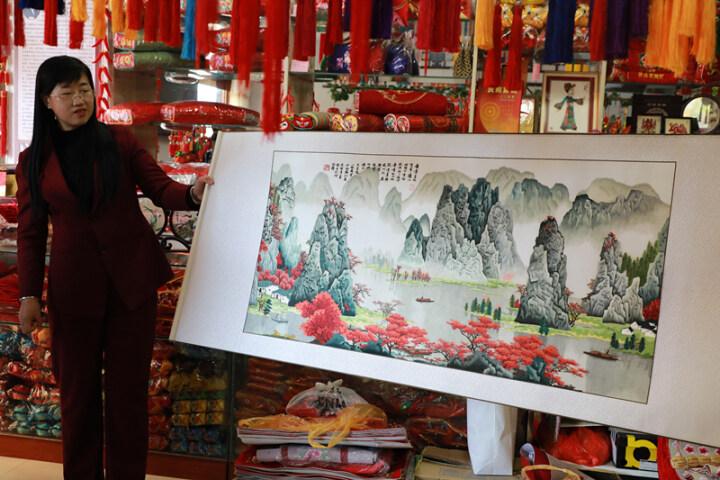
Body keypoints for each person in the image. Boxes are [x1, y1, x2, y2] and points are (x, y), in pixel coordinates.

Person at [16, 55, 214, 479]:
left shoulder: (119, 142)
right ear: (47, 101)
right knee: (77, 396)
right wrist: (29, 295)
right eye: (67, 92)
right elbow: (30, 233)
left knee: (127, 396)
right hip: (73, 290)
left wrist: (192, 194)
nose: (79, 100)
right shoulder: (33, 160)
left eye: (84, 89)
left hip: (132, 285)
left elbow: (160, 188)